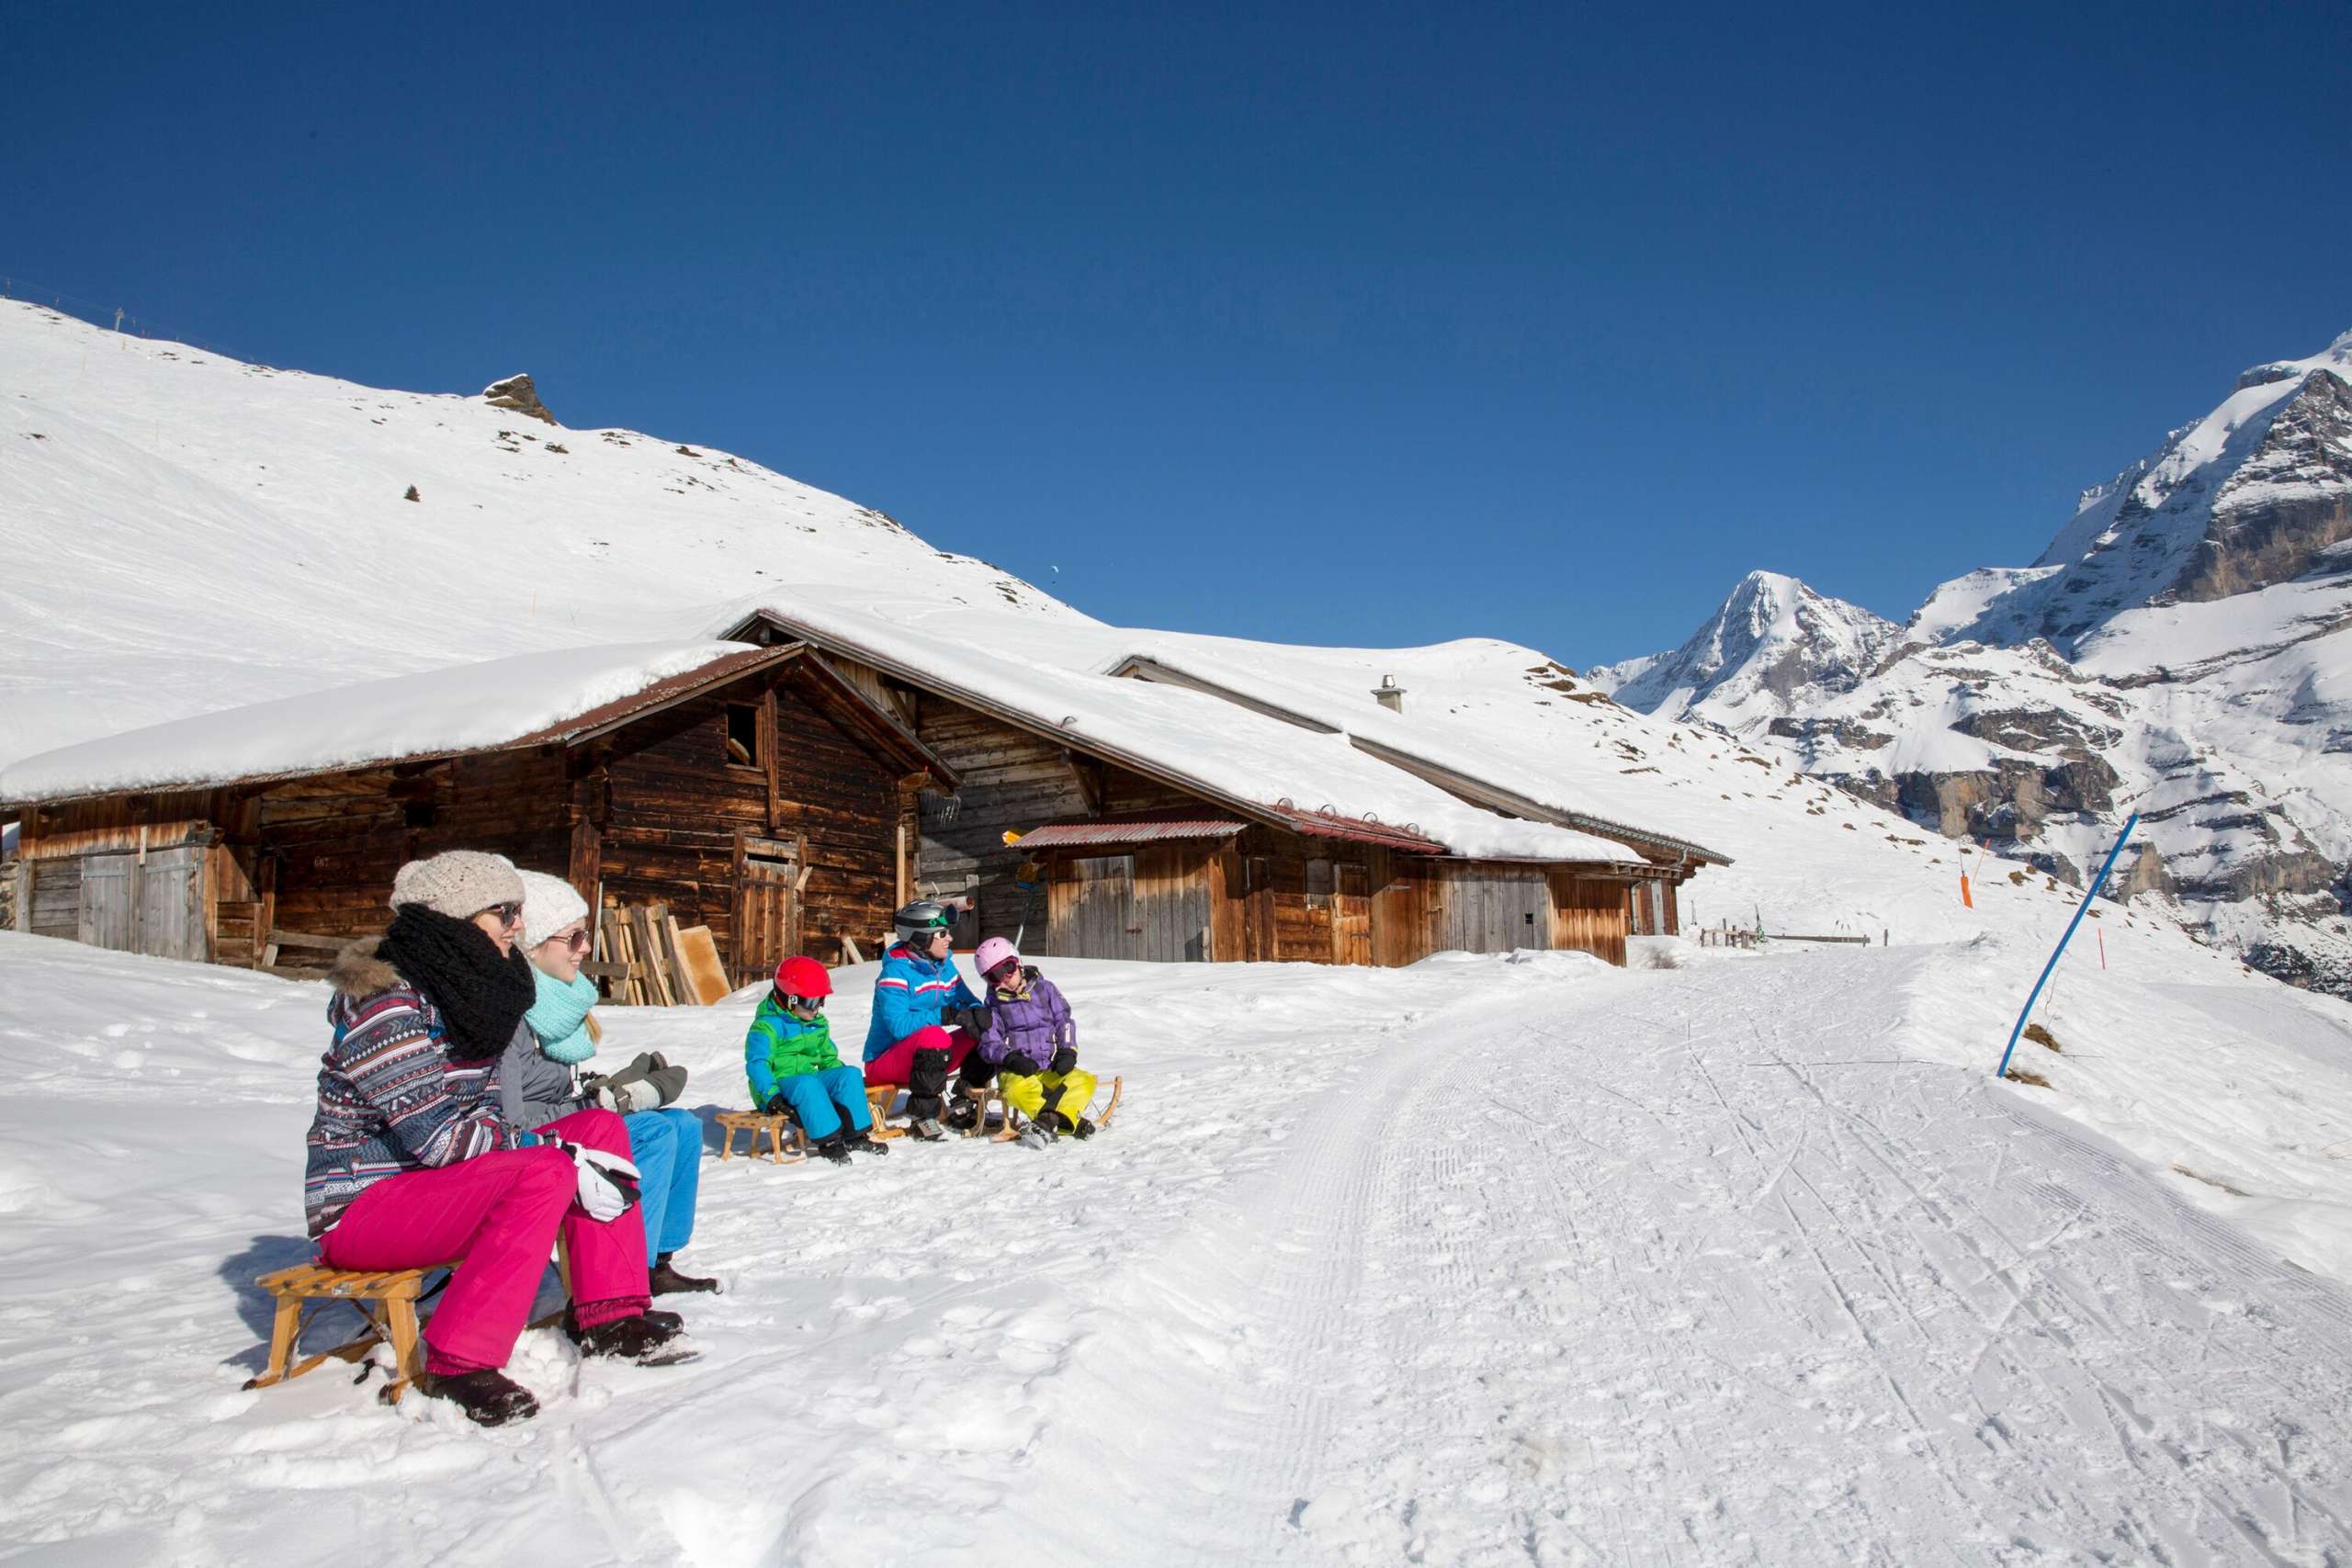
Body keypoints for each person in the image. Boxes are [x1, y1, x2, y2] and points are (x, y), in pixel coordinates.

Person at [305, 851, 684, 1427]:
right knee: (549, 1167)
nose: (517, 926)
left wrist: (568, 1140)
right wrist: (550, 1153)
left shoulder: (469, 995)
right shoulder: (383, 1003)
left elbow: (483, 1117)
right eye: (504, 912)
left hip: (440, 1186)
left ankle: (609, 1313)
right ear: (454, 921)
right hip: (365, 1206)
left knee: (600, 1128)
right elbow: (437, 1139)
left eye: (518, 912)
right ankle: (460, 1362)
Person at [512, 871, 717, 1294]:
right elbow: (511, 1120)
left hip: (562, 1125)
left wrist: (604, 1092)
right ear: (532, 945)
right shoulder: (514, 1016)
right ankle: (624, 1274)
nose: (585, 947)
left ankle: (657, 1259)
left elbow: (552, 1091)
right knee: (654, 1133)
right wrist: (594, 1107)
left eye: (584, 936)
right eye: (572, 938)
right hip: (527, 1145)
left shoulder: (558, 1003)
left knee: (685, 1125)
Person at [743, 955, 889, 1164]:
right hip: (776, 1087)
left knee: (849, 1074)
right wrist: (772, 1096)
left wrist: (843, 1085)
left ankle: (856, 1135)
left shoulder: (816, 1023)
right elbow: (757, 1064)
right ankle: (829, 1142)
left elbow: (829, 1058)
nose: (817, 1007)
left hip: (807, 1081)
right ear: (790, 998)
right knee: (808, 1083)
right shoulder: (766, 1027)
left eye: (821, 1000)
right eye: (812, 1001)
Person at [861, 899, 983, 1141]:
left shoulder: (945, 967)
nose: (949, 939)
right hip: (885, 1062)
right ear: (921, 937)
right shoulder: (894, 973)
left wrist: (978, 1013)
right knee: (934, 1035)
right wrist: (944, 1015)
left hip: (927, 1058)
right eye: (942, 934)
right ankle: (923, 1116)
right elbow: (899, 1025)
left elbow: (967, 1002)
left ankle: (965, 1100)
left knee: (982, 1026)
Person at [970, 936, 1100, 1149]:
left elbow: (1064, 1019)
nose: (1004, 979)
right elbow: (989, 1042)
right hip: (1017, 1071)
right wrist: (1010, 1058)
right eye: (994, 977)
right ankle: (1067, 1120)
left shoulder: (1045, 989)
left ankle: (1047, 1122)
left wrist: (1067, 1050)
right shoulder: (993, 1005)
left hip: (1047, 1065)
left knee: (1084, 1080)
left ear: (1017, 961)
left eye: (1008, 968)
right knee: (1016, 1090)